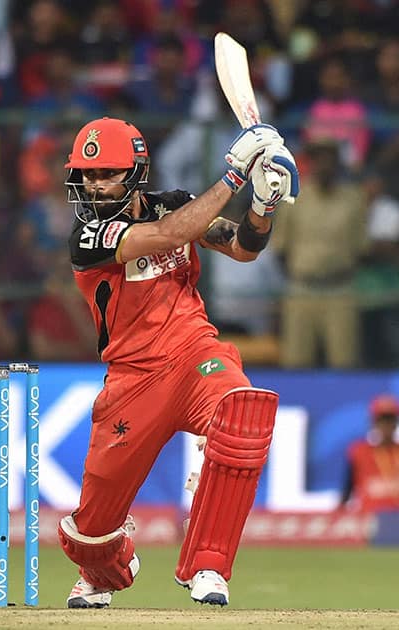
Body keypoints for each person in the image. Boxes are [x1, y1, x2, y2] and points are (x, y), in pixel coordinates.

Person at [55, 117, 299, 608]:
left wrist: (263, 204)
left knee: (241, 413)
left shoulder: (176, 203)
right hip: (133, 380)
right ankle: (107, 569)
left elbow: (243, 248)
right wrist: (233, 173)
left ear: (137, 172)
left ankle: (208, 565)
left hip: (194, 355)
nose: (95, 184)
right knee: (86, 537)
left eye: (109, 173)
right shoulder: (89, 237)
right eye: (88, 174)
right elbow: (168, 235)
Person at [340, 394, 399, 512]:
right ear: (373, 422)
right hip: (369, 519)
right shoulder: (359, 452)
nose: (386, 425)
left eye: (390, 420)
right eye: (381, 420)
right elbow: (347, 491)